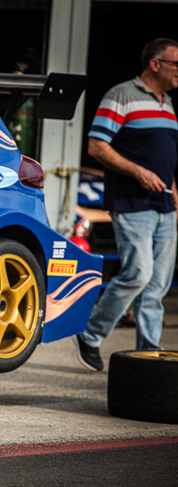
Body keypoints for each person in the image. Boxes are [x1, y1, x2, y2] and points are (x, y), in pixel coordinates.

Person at [75, 38, 178, 371]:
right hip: (133, 203)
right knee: (138, 273)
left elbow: (164, 157)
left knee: (158, 284)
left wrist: (174, 193)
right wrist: (139, 173)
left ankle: (147, 353)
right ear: (155, 64)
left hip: (165, 206)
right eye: (176, 64)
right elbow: (96, 146)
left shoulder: (168, 104)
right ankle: (91, 334)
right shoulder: (121, 96)